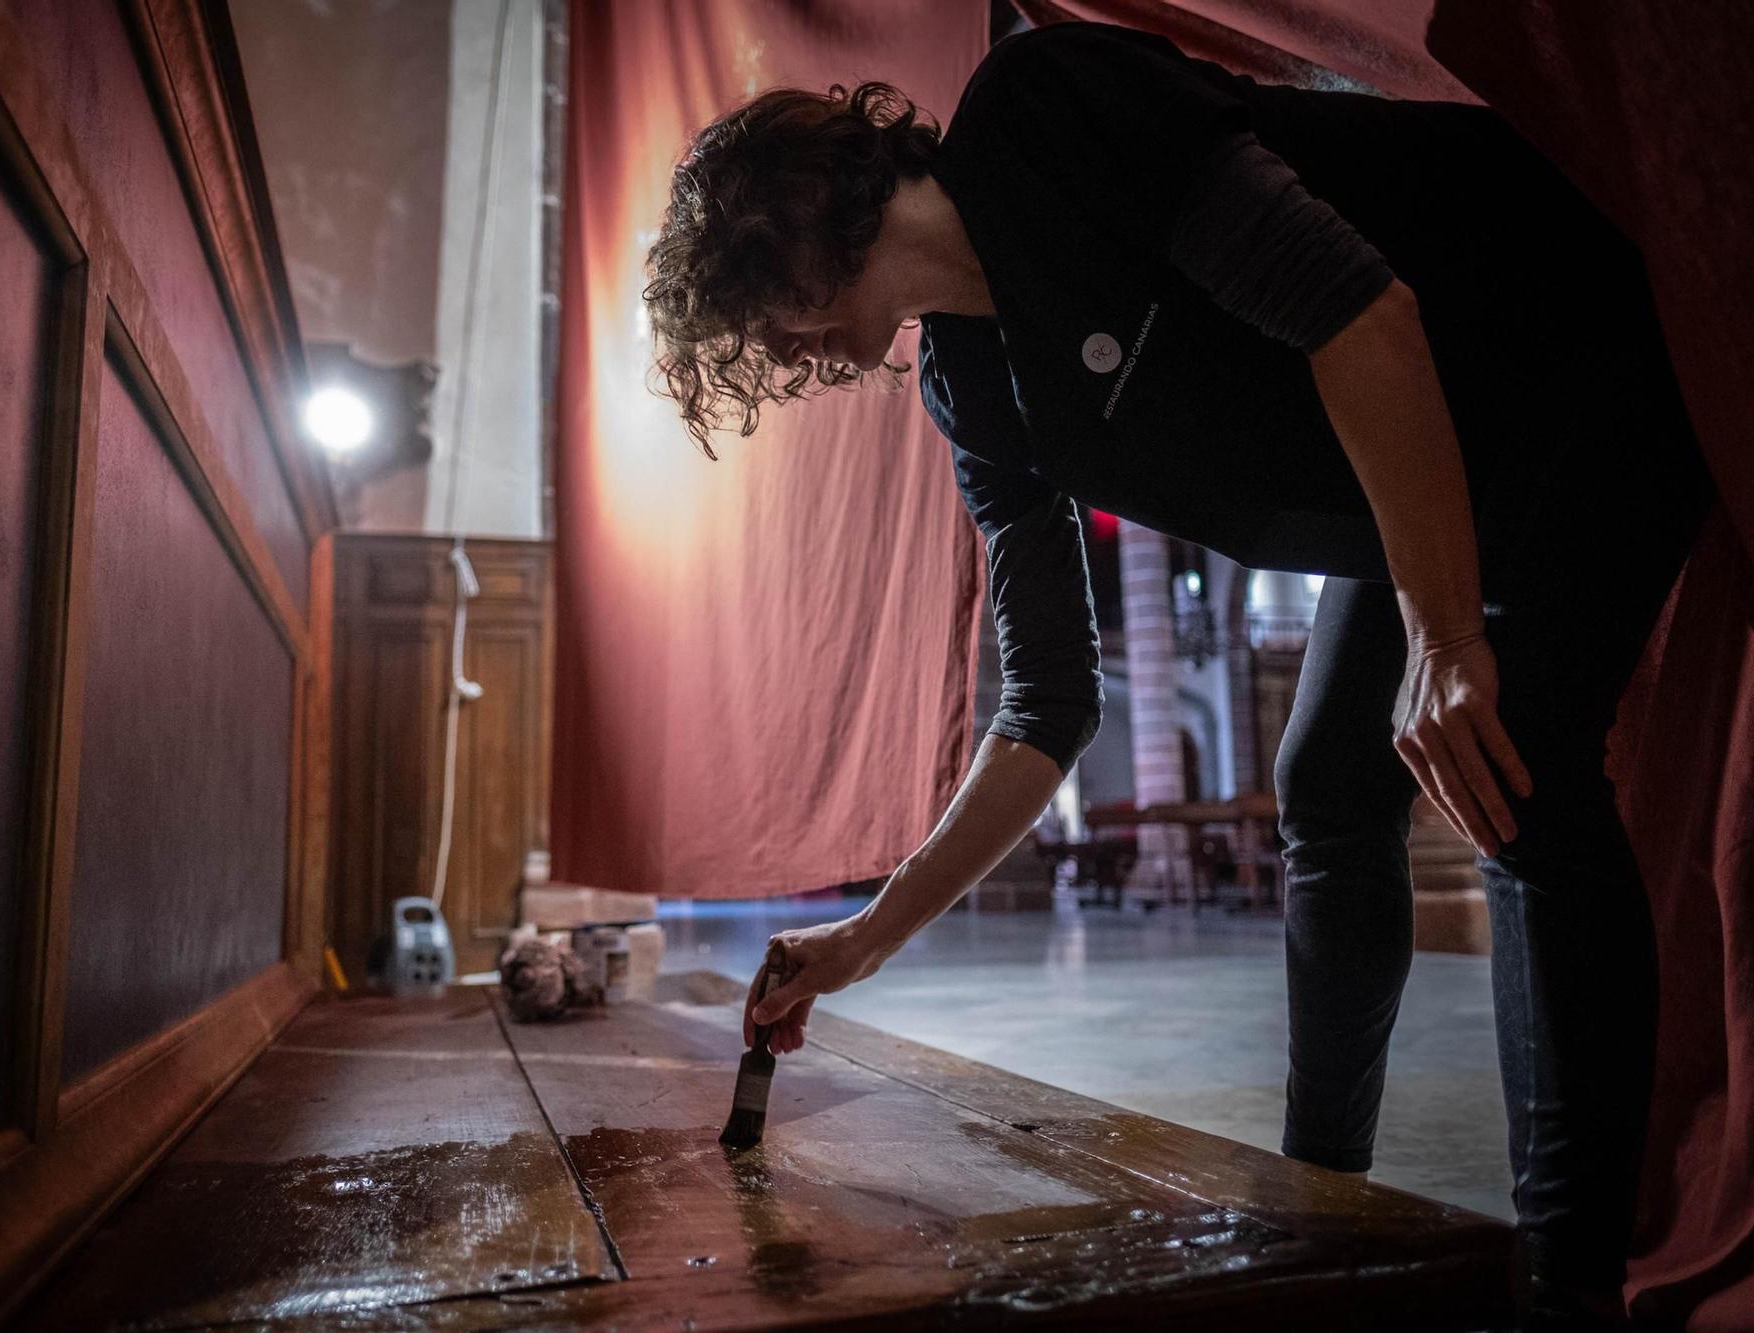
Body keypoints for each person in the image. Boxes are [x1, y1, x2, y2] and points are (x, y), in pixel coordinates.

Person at [641, 20, 1716, 1330]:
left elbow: (1362, 311)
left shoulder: (1042, 114)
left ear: (808, 217)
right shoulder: (974, 388)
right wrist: (868, 936)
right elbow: (1045, 706)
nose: (785, 359)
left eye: (765, 309)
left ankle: (1570, 1292)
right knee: (1327, 777)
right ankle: (1327, 1222)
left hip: (1569, 339)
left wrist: (1443, 636)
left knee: (1520, 755)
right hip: (1433, 460)